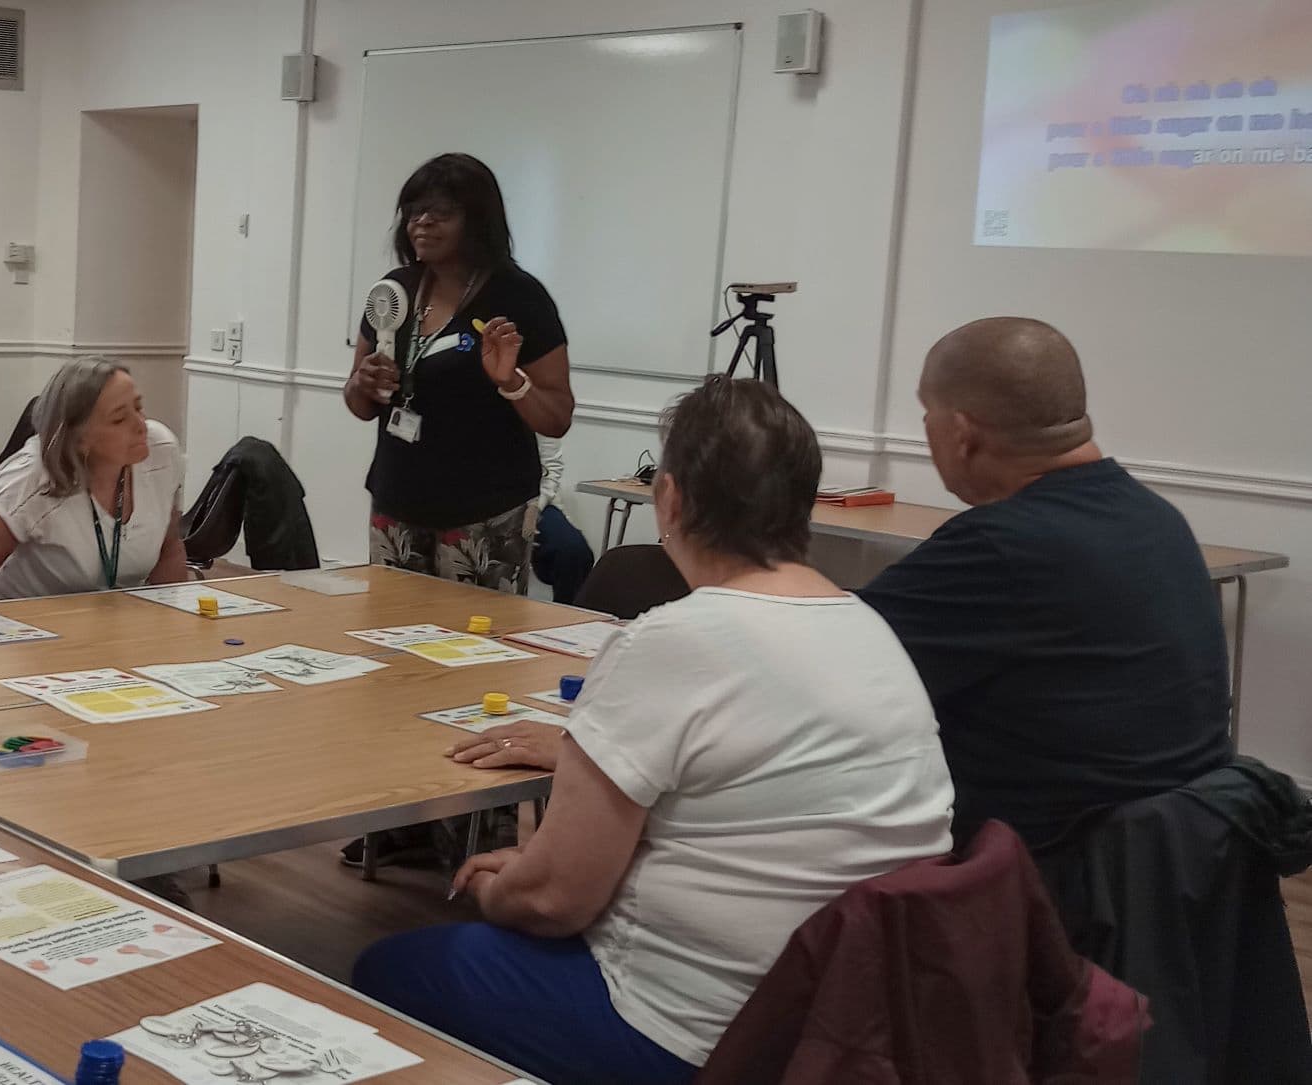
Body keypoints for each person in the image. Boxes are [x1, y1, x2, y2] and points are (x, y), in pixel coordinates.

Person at [356, 377, 953, 1084]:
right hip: (857, 1024)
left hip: (698, 1034)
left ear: (669, 499)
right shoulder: (868, 627)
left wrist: (502, 887)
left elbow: (554, 901)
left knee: (384, 968)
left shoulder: (670, 639)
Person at [858, 317, 1230, 849]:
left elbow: (840, 661)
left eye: (927, 413)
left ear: (961, 433)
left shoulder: (1001, 544)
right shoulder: (1154, 517)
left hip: (1039, 868)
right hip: (1178, 858)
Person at [347, 153, 575, 594]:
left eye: (441, 212)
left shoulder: (519, 297)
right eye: (414, 211)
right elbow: (359, 404)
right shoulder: (395, 290)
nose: (422, 222)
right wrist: (362, 383)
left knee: (479, 631)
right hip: (398, 500)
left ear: (478, 221)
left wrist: (511, 382)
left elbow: (557, 416)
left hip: (485, 512)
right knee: (391, 624)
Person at [0, 357, 189, 601]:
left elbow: (169, 550)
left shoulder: (161, 450)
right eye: (119, 419)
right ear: (79, 437)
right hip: (30, 616)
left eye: (138, 407)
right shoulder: (30, 478)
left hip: (117, 618)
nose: (141, 425)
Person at [529, 434, 594, 605]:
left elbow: (551, 468)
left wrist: (534, 510)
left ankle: (566, 615)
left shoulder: (541, 419)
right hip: (478, 504)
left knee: (573, 551)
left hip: (537, 501)